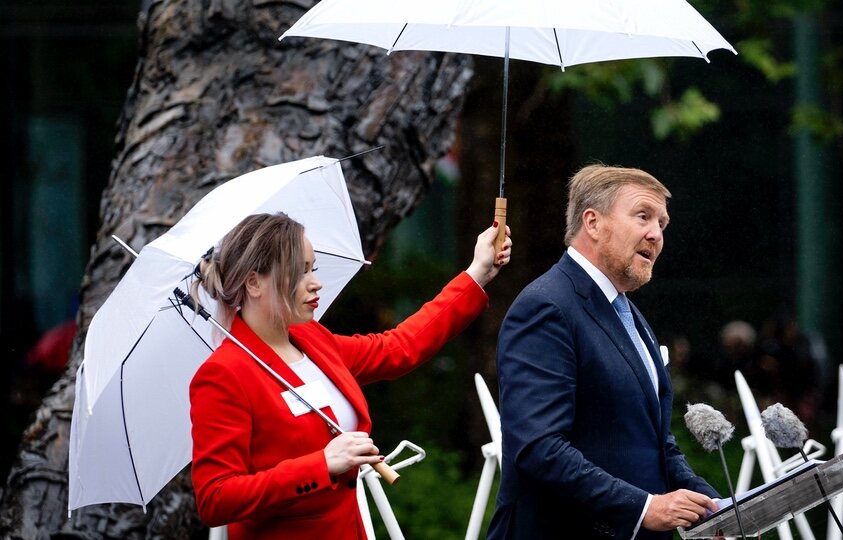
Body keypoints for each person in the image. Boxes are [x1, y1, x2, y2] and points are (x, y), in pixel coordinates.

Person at [189, 212, 511, 539]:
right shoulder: (224, 374)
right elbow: (216, 497)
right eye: (299, 272)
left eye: (312, 268)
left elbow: (396, 348)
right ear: (254, 282)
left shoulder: (313, 338)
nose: (315, 283)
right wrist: (322, 464)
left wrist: (476, 274)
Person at [487, 165, 718, 540]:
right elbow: (539, 448)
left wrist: (711, 505)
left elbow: (654, 440)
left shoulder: (628, 312)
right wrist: (644, 508)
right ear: (592, 223)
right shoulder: (546, 307)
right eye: (643, 216)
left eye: (662, 223)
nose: (656, 234)